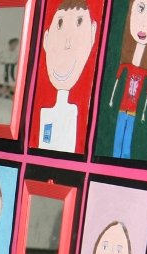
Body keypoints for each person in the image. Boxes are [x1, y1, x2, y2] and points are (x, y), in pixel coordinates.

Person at [37, 0, 98, 153]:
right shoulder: (45, 114)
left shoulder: (76, 114)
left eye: (79, 22)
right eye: (60, 24)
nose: (67, 42)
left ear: (93, 33)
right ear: (46, 38)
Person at [108, 0, 147, 159]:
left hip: (132, 110)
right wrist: (112, 98)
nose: (144, 23)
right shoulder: (126, 65)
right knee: (119, 134)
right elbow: (119, 77)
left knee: (127, 136)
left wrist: (144, 111)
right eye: (140, 8)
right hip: (123, 108)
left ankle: (124, 157)